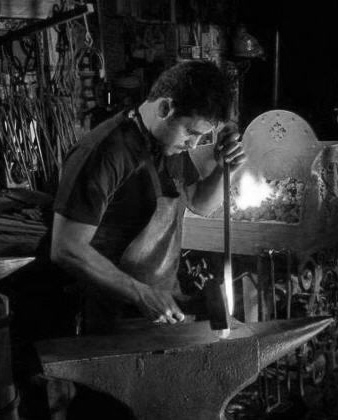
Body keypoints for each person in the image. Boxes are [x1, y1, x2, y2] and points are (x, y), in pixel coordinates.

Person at [50, 60, 245, 332]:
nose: (194, 144)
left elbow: (201, 204)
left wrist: (226, 171)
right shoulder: (105, 153)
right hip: (110, 318)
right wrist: (141, 294)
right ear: (165, 108)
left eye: (201, 137)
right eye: (191, 133)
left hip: (162, 310)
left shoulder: (170, 146)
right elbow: (66, 248)